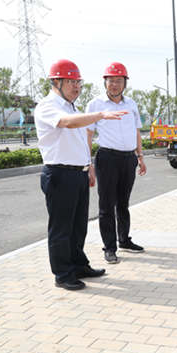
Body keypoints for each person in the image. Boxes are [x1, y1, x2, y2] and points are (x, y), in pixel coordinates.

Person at [35, 60, 128, 291]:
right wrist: (100, 115)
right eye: (71, 82)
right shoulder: (48, 106)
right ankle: (63, 274)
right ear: (56, 82)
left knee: (78, 226)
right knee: (62, 228)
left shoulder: (72, 108)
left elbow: (79, 141)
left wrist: (88, 166)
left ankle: (78, 265)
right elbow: (66, 124)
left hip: (77, 174)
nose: (76, 87)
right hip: (59, 174)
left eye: (78, 82)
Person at [86, 62, 146, 264]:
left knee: (123, 203)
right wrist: (88, 162)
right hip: (107, 158)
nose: (114, 84)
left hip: (128, 158)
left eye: (119, 81)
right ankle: (109, 247)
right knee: (106, 205)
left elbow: (136, 131)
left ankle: (124, 240)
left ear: (125, 83)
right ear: (105, 82)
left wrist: (140, 156)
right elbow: (88, 134)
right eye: (111, 80)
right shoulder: (95, 104)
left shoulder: (131, 104)